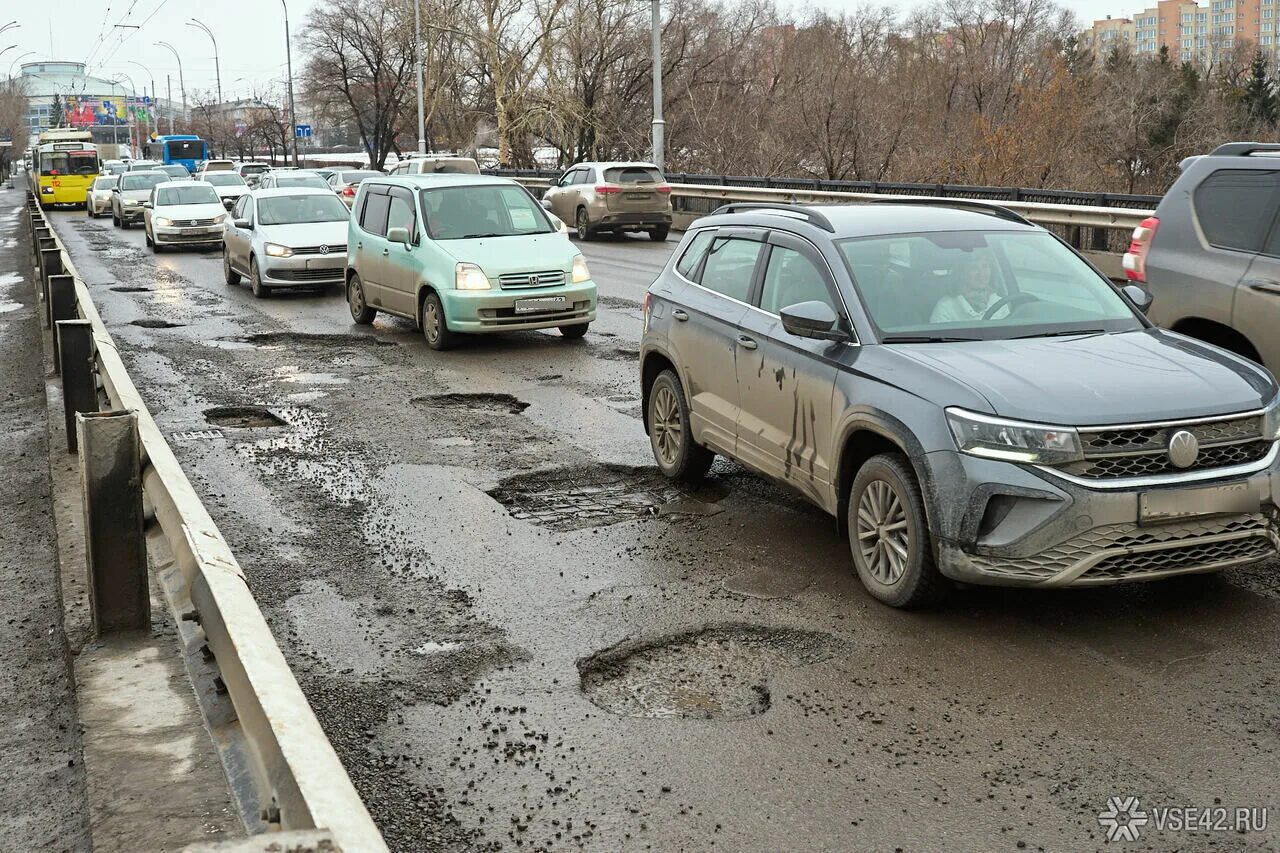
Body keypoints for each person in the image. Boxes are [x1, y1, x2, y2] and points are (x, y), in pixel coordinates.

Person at [930, 253, 1007, 323]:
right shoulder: (946, 306)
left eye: (985, 266)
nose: (981, 273)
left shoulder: (999, 302)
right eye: (974, 268)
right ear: (961, 273)